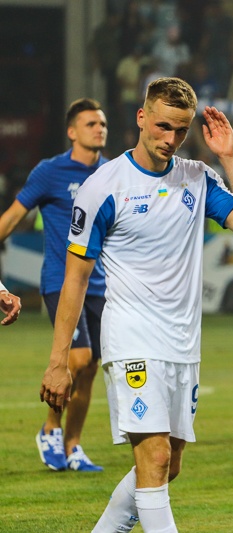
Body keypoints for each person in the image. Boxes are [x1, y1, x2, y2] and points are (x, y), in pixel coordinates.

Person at [39, 77, 233, 532]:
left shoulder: (197, 177)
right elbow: (75, 279)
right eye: (163, 126)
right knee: (156, 457)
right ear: (141, 118)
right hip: (132, 339)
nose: (171, 139)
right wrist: (58, 361)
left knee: (169, 464)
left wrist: (228, 157)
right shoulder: (104, 187)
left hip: (183, 345)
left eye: (181, 130)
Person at [0, 98, 109, 472]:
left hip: (101, 285)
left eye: (102, 123)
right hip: (61, 281)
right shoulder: (50, 172)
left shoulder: (112, 173)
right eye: (91, 123)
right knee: (78, 359)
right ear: (72, 131)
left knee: (90, 367)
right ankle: (50, 427)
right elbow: (13, 217)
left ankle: (73, 445)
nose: (99, 129)